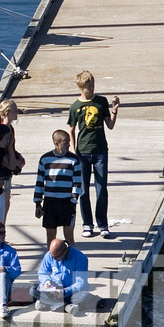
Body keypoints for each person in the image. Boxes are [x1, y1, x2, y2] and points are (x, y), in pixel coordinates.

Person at [68, 69, 119, 238]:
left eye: (93, 85)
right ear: (81, 88)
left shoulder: (101, 102)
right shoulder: (75, 107)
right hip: (83, 152)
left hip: (100, 151)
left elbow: (109, 126)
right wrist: (74, 150)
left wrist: (115, 111)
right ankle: (87, 224)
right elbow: (71, 130)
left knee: (101, 188)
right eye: (88, 86)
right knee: (83, 190)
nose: (91, 89)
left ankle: (102, 223)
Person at [33, 129, 84, 245]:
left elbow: (77, 182)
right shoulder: (45, 159)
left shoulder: (73, 159)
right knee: (50, 235)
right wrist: (37, 203)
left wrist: (73, 200)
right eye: (66, 142)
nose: (69, 145)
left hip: (67, 202)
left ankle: (72, 260)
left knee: (69, 234)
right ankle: (52, 259)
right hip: (50, 202)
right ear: (57, 143)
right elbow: (40, 182)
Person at [33, 238, 93, 316]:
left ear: (65, 252)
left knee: (85, 296)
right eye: (52, 257)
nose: (54, 259)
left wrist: (64, 292)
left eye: (57, 257)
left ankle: (48, 304)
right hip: (54, 290)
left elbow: (81, 283)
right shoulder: (49, 255)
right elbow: (42, 273)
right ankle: (66, 306)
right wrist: (46, 281)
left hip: (71, 292)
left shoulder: (80, 258)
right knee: (33, 290)